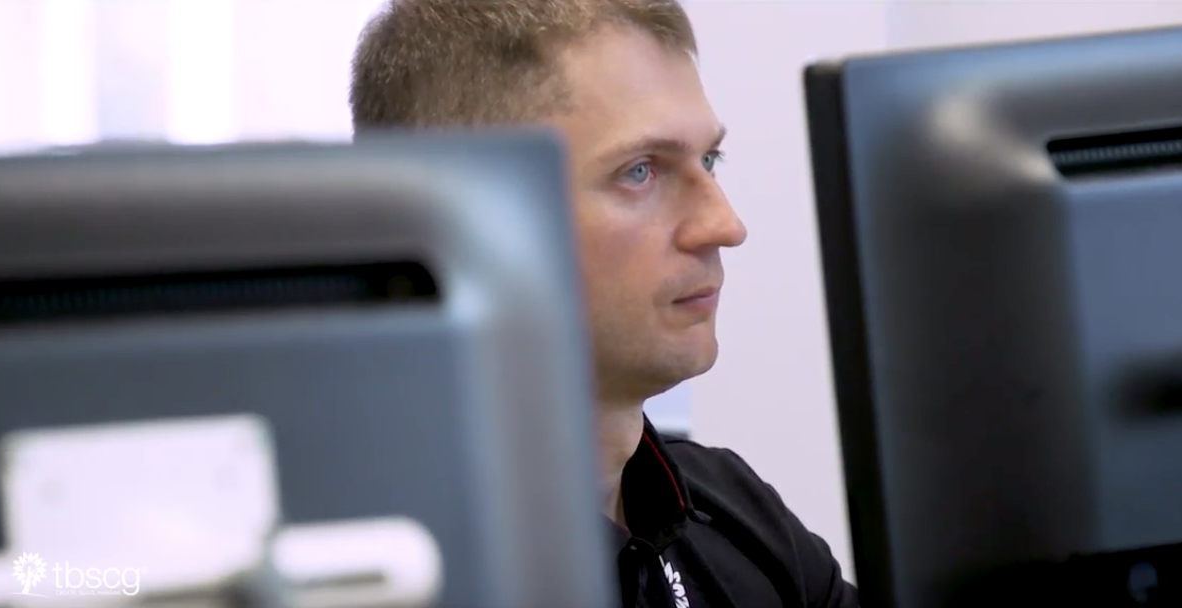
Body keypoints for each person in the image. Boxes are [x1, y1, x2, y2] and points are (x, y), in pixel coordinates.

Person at [349, 2, 857, 607]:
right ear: (464, 217)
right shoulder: (376, 578)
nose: (723, 224)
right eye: (640, 171)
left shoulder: (737, 517)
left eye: (709, 160)